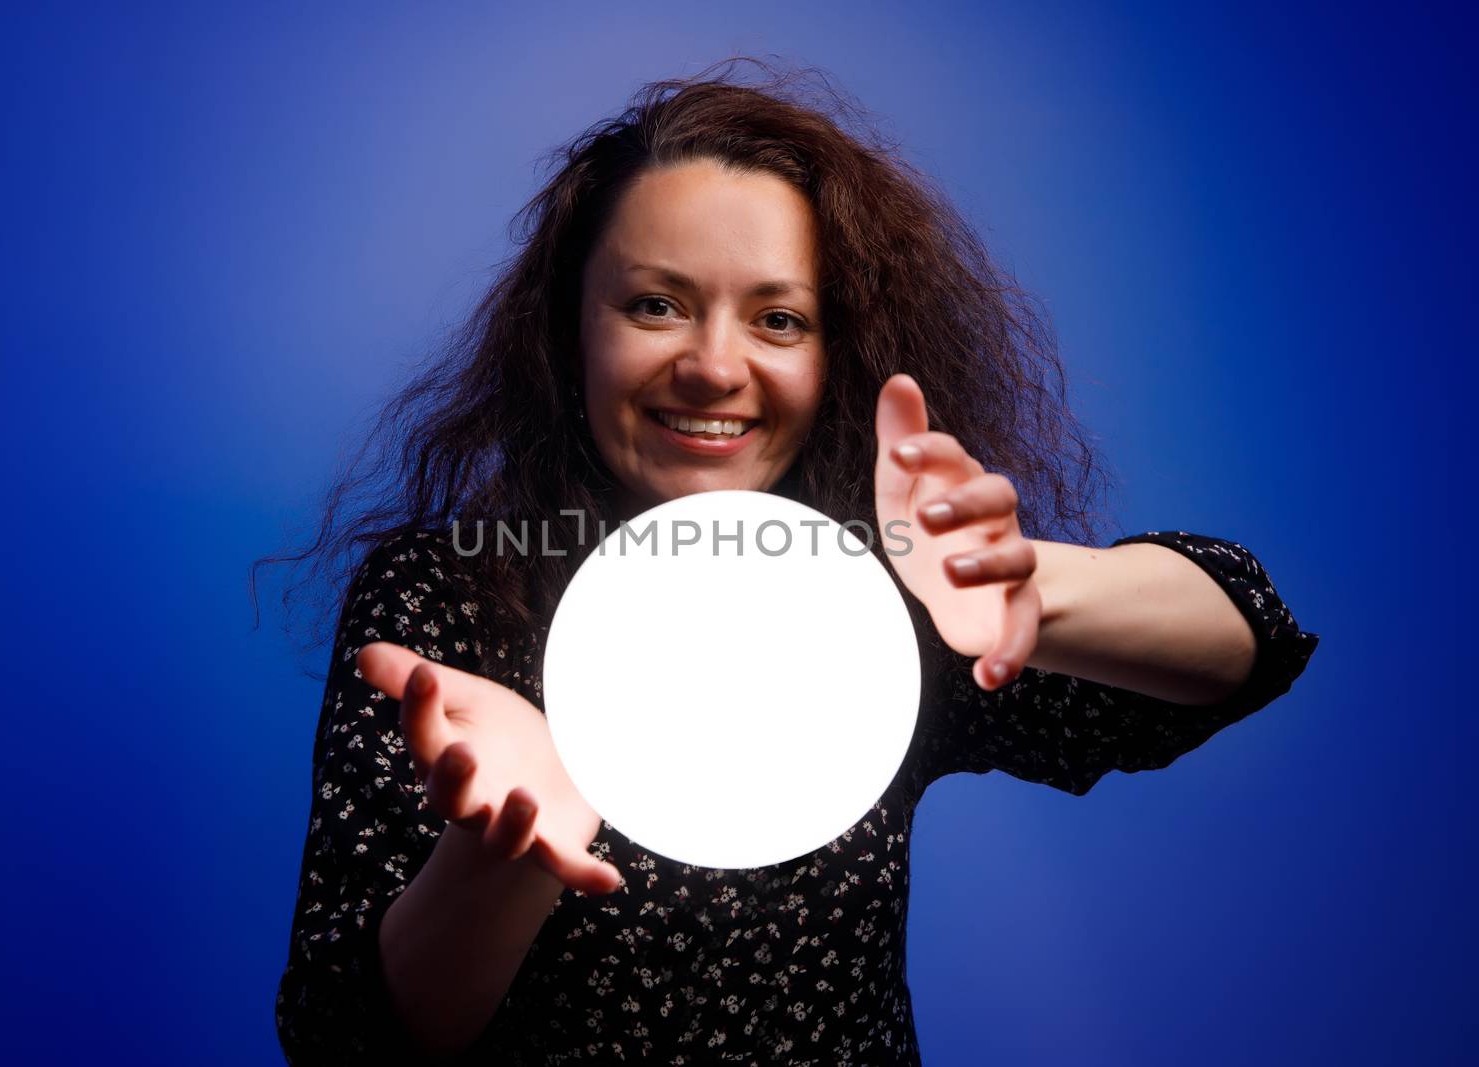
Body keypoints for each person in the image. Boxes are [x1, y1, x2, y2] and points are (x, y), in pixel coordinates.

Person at [271, 63, 1319, 1065]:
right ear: (568, 330)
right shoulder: (452, 591)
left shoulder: (868, 599)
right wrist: (500, 857)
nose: (715, 365)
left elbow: (1246, 639)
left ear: (836, 354)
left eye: (778, 318)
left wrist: (1033, 591)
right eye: (655, 304)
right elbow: (343, 1039)